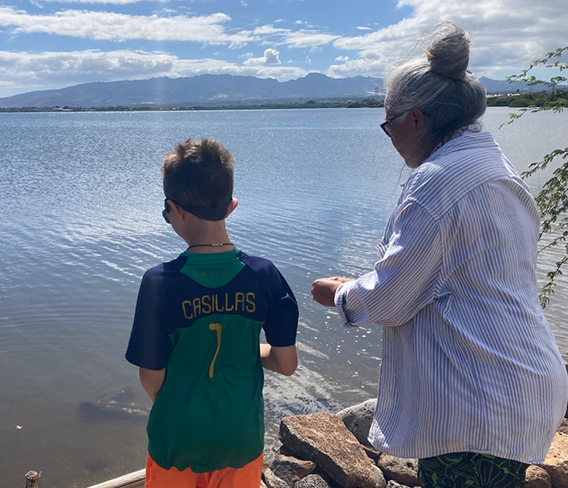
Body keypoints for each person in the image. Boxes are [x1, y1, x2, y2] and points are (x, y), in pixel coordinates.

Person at [311, 22, 568, 488]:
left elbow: (390, 299)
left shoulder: (439, 181)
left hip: (480, 403)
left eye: (388, 123)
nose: (388, 135)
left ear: (416, 118)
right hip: (515, 384)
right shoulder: (492, 165)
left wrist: (340, 293)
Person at [125, 138, 299, 488]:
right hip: (240, 438)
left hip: (177, 439)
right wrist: (247, 351)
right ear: (231, 206)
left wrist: (182, 406)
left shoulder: (160, 282)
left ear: (175, 208)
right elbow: (286, 364)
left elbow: (151, 376)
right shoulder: (265, 276)